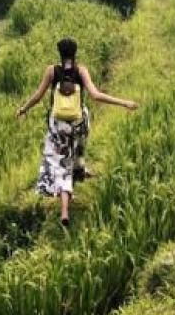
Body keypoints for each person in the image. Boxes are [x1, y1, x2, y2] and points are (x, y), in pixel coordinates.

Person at [17, 37, 138, 228]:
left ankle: (65, 210)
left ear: (60, 53)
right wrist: (124, 103)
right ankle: (80, 171)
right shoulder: (81, 71)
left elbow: (38, 96)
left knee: (62, 165)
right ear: (75, 53)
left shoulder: (52, 71)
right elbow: (96, 95)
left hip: (59, 126)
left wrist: (23, 109)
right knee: (79, 138)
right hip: (78, 124)